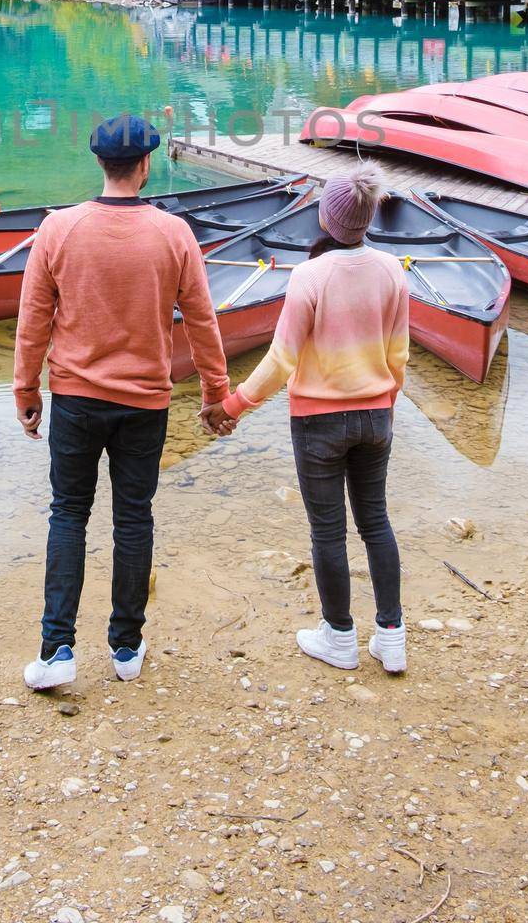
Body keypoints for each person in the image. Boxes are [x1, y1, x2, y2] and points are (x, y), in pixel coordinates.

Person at [13, 114, 230, 690]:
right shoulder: (174, 234)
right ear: (145, 165)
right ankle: (126, 647)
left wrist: (26, 388)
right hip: (145, 403)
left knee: (68, 514)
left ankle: (57, 651)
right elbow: (203, 322)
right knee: (133, 518)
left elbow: (33, 319)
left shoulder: (57, 229)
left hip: (77, 401)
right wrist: (215, 392)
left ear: (101, 163)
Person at [201, 163, 409, 674]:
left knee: (328, 533)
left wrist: (232, 405)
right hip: (376, 415)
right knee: (376, 522)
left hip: (319, 423)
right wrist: (384, 400)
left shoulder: (310, 276)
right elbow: (399, 355)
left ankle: (340, 637)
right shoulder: (391, 271)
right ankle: (392, 636)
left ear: (327, 217)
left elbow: (281, 360)